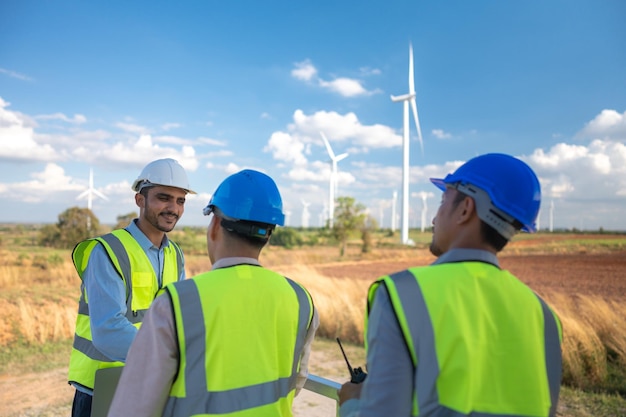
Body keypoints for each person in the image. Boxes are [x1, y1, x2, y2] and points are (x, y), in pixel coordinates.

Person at [338, 153, 563, 417]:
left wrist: (351, 403)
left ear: (465, 208)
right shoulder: (544, 315)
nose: (434, 219)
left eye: (443, 200)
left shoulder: (403, 294)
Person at [107, 169, 319, 417]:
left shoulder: (177, 303)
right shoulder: (301, 298)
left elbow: (133, 408)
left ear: (215, 224)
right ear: (268, 234)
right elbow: (297, 380)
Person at [68, 158, 195, 417]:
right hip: (102, 388)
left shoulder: (175, 255)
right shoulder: (108, 251)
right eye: (163, 198)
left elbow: (177, 317)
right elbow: (108, 329)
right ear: (140, 200)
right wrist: (171, 358)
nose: (173, 208)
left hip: (150, 384)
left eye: (180, 200)